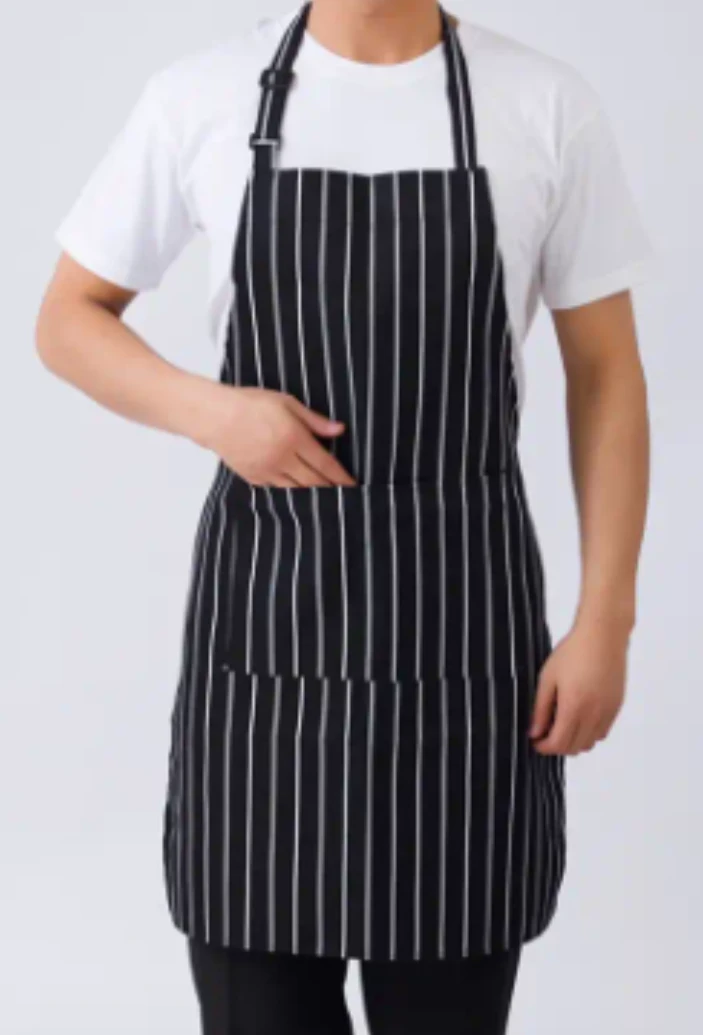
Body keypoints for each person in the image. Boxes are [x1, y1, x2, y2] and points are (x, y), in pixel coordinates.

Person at [36, 1, 652, 1032]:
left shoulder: (543, 104)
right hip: (264, 658)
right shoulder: (200, 97)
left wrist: (605, 622)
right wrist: (212, 413)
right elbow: (66, 318)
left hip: (463, 649)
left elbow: (607, 376)